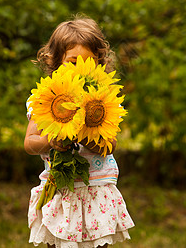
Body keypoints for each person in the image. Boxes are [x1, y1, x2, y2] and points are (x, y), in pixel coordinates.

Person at [24, 16, 134, 248]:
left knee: (98, 243)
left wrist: (87, 133)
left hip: (96, 189)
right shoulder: (44, 100)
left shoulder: (103, 102)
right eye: (72, 62)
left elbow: (110, 145)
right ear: (54, 61)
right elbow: (30, 142)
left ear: (99, 63)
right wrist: (51, 141)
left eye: (88, 63)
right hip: (59, 190)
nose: (79, 71)